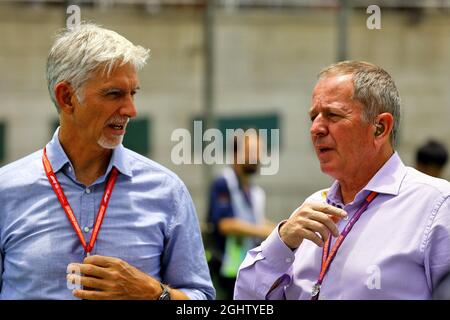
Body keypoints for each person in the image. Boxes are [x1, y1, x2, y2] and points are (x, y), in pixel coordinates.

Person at [0, 23, 215, 300]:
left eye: (132, 93)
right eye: (114, 94)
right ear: (67, 98)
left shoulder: (167, 192)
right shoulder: (6, 191)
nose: (131, 110)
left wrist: (154, 294)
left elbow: (201, 300)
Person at [234, 61, 450, 300]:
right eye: (313, 117)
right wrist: (282, 241)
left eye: (332, 115)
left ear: (380, 128)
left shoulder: (437, 206)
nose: (315, 128)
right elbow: (244, 298)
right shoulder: (312, 208)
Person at [206, 132, 275, 299]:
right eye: (252, 151)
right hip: (226, 272)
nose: (257, 156)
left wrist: (280, 230)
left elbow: (255, 221)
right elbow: (225, 224)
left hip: (246, 270)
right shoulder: (223, 183)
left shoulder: (254, 191)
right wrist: (265, 231)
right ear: (236, 154)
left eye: (260, 151)